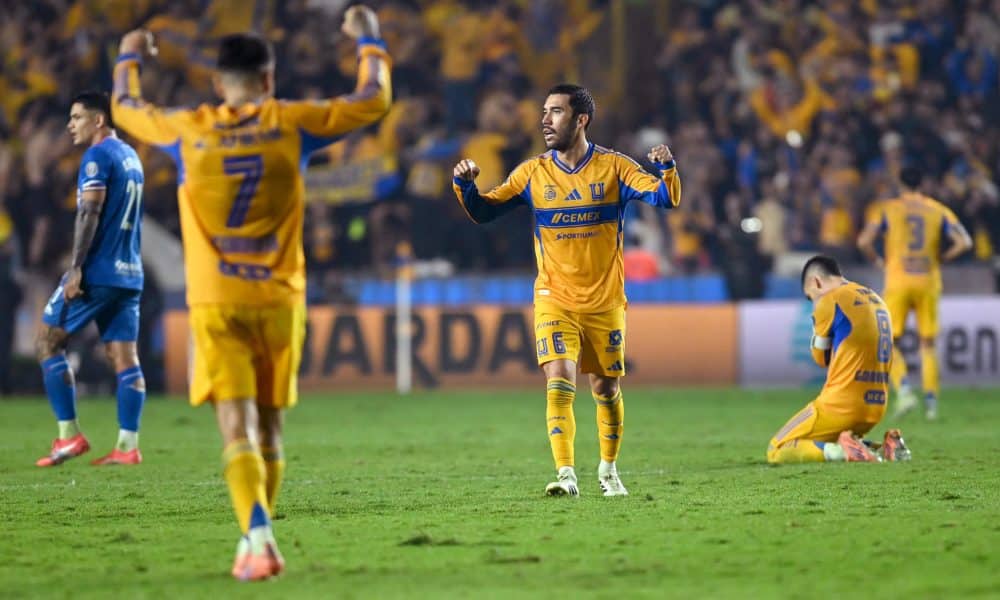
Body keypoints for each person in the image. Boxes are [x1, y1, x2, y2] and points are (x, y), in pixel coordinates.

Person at [111, 5, 391, 581]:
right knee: (269, 427)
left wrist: (129, 54)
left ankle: (256, 535)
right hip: (279, 301)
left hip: (215, 301)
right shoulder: (294, 122)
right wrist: (369, 39)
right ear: (268, 79)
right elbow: (373, 99)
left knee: (234, 427)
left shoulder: (189, 131)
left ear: (217, 84)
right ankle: (258, 534)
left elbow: (124, 108)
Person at [452, 84, 681, 497]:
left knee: (605, 389)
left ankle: (608, 470)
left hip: (605, 301)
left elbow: (664, 198)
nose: (545, 119)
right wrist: (465, 186)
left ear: (581, 120)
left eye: (556, 111)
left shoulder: (614, 168)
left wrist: (667, 169)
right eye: (544, 111)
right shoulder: (531, 173)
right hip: (554, 297)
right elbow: (485, 211)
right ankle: (565, 475)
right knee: (559, 378)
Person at [35, 92, 147, 468]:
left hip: (99, 272)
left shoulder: (97, 156)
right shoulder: (131, 156)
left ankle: (69, 436)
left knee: (49, 340)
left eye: (77, 117)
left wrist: (77, 267)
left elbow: (89, 212)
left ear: (99, 121)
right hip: (130, 273)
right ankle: (127, 445)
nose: (71, 124)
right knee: (124, 356)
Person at [767, 256, 910, 464]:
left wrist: (818, 324)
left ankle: (842, 453)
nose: (814, 302)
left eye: (811, 296)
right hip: (876, 406)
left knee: (776, 449)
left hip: (839, 405)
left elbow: (819, 359)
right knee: (832, 439)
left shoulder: (830, 300)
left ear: (816, 282)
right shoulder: (877, 299)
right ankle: (888, 446)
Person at [857, 167, 973, 420]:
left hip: (898, 280)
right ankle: (931, 404)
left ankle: (905, 390)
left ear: (901, 184)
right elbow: (965, 242)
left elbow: (864, 241)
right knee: (928, 344)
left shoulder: (888, 209)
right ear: (924, 183)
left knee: (889, 341)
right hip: (928, 281)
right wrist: (942, 258)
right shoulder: (938, 210)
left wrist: (878, 260)